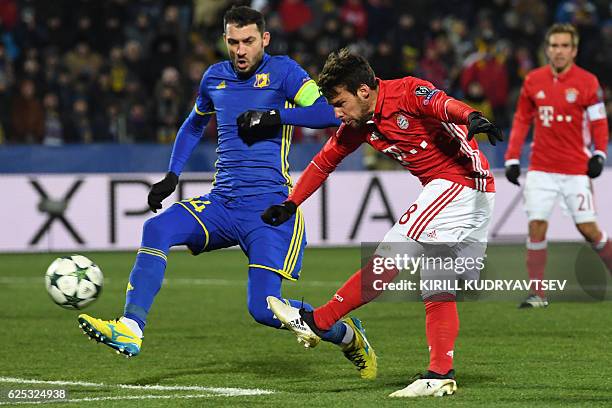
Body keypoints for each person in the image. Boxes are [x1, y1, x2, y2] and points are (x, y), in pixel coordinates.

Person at [77, 6, 376, 379]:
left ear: (264, 39)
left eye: (248, 41)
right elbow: (192, 125)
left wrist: (273, 117)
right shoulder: (214, 78)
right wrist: (172, 175)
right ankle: (131, 328)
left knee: (264, 309)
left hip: (269, 210)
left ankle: (347, 335)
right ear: (225, 41)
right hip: (223, 203)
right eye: (233, 42)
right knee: (157, 229)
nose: (240, 50)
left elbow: (326, 113)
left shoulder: (284, 72)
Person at [260, 48, 502, 397]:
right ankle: (439, 374)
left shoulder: (406, 91)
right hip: (470, 191)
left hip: (460, 182)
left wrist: (471, 115)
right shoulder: (360, 123)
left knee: (393, 251)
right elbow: (324, 161)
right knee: (437, 286)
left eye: (340, 102)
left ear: (363, 91)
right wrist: (290, 203)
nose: (337, 112)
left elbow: (441, 104)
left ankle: (320, 320)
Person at [504, 23, 611, 308]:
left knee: (589, 230)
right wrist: (512, 157)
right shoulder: (533, 81)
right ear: (547, 49)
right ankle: (538, 294)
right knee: (536, 226)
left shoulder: (588, 82)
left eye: (565, 46)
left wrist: (599, 153)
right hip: (541, 168)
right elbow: (522, 120)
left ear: (574, 51)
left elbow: (599, 123)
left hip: (576, 169)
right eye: (554, 46)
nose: (559, 51)